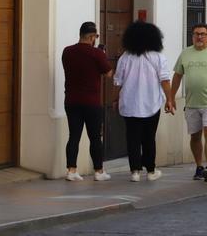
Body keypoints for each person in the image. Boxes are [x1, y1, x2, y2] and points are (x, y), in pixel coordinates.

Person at [113, 21, 175, 182]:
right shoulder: (158, 57)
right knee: (149, 138)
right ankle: (151, 170)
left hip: (129, 104)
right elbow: (165, 80)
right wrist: (170, 99)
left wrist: (115, 99)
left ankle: (134, 171)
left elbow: (117, 82)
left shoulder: (125, 58)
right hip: (152, 104)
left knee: (132, 138)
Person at [171, 23, 207, 182]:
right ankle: (199, 166)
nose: (199, 37)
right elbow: (177, 76)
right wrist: (171, 98)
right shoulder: (185, 54)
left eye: (203, 34)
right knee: (195, 136)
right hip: (191, 104)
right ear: (192, 35)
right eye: (196, 34)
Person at [62, 21, 113, 182]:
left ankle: (71, 170)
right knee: (95, 138)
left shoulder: (67, 51)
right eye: (95, 36)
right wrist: (102, 55)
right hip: (91, 102)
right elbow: (108, 73)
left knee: (74, 136)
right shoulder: (96, 54)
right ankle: (98, 171)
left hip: (71, 101)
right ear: (92, 37)